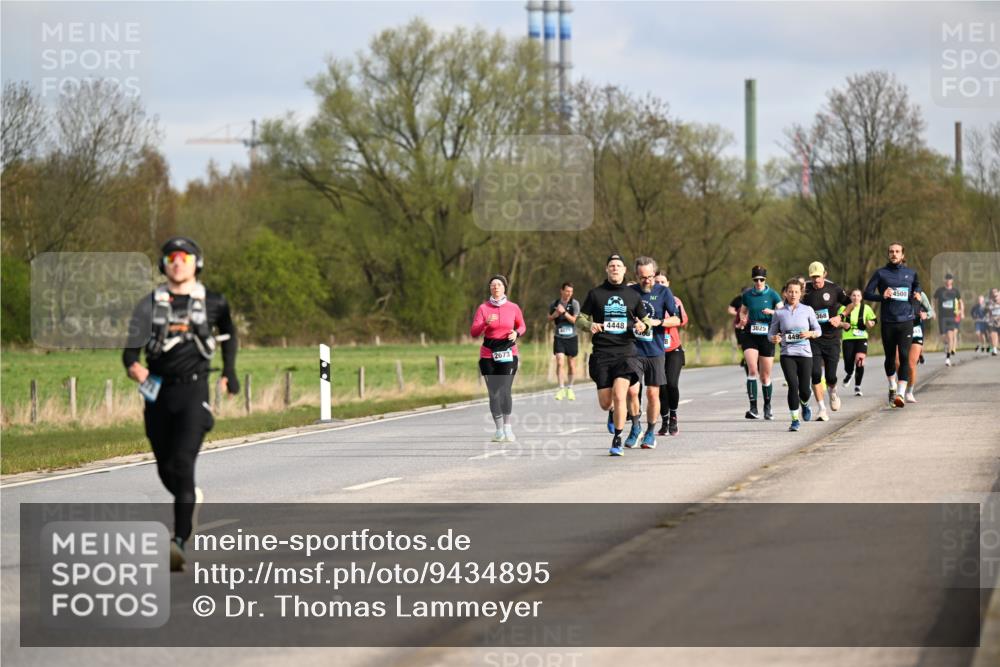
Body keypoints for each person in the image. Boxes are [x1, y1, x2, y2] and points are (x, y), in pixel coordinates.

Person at [123, 237, 239, 572]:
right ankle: (189, 500)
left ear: (196, 263)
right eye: (171, 257)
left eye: (184, 256)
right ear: (163, 265)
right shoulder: (148, 305)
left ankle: (179, 542)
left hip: (193, 392)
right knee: (166, 468)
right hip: (158, 394)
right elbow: (130, 356)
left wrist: (229, 372)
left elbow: (229, 335)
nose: (177, 262)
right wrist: (144, 379)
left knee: (184, 464)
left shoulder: (214, 302)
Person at [576, 254, 652, 456]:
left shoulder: (633, 295)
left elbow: (647, 323)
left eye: (618, 266)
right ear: (606, 270)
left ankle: (617, 438)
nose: (615, 269)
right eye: (611, 266)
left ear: (624, 270)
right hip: (602, 353)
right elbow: (579, 319)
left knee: (621, 395)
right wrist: (589, 325)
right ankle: (612, 414)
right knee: (606, 403)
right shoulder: (595, 294)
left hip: (626, 352)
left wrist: (642, 325)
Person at [625, 257, 677, 449]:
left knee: (653, 393)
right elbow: (620, 316)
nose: (647, 280)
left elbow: (676, 318)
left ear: (655, 274)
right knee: (632, 390)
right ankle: (636, 427)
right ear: (636, 276)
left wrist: (658, 322)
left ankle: (650, 433)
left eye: (650, 276)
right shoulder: (630, 292)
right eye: (642, 277)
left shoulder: (664, 292)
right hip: (633, 350)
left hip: (655, 351)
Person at [863, 242, 922, 408]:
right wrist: (882, 296)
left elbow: (917, 293)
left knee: (904, 356)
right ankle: (892, 386)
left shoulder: (911, 274)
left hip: (906, 321)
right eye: (891, 252)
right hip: (888, 322)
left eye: (897, 252)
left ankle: (901, 394)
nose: (894, 254)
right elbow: (867, 293)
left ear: (903, 255)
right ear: (888, 254)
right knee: (890, 358)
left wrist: (916, 306)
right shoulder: (881, 273)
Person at [470, 275, 526, 443]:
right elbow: (474, 332)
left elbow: (522, 325)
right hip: (488, 354)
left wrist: (517, 333)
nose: (495, 287)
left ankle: (508, 428)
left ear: (504, 288)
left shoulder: (513, 307)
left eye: (499, 285)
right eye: (493, 285)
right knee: (494, 394)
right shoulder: (483, 308)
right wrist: (485, 323)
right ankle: (499, 430)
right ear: (490, 289)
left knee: (505, 390)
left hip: (508, 352)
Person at [769, 279, 822, 432]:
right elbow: (771, 332)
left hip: (805, 354)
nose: (793, 294)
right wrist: (774, 338)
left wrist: (811, 333)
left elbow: (818, 330)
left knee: (804, 390)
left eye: (796, 292)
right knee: (793, 386)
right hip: (787, 354)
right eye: (790, 291)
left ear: (801, 293)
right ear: (785, 293)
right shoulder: (779, 313)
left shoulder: (808, 310)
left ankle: (805, 404)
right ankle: (794, 420)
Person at [802, 262, 850, 421]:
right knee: (815, 374)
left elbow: (849, 303)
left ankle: (833, 391)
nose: (816, 280)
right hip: (813, 338)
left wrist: (840, 317)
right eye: (813, 277)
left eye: (818, 276)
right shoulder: (805, 290)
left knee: (830, 376)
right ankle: (821, 408)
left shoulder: (834, 289)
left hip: (832, 338)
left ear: (825, 274)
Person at [738, 266, 783, 420]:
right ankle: (753, 408)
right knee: (752, 370)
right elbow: (743, 311)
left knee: (765, 376)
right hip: (750, 334)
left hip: (767, 335)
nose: (758, 282)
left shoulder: (773, 295)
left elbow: (783, 313)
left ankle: (767, 407)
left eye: (761, 280)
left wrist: (772, 312)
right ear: (753, 281)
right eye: (756, 280)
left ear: (765, 280)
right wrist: (743, 319)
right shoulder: (747, 295)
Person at [656, 273, 687, 436]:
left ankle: (673, 416)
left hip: (674, 348)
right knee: (661, 386)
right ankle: (664, 420)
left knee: (672, 384)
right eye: (657, 282)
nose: (660, 284)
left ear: (668, 283)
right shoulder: (650, 300)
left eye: (663, 282)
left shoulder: (675, 301)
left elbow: (683, 320)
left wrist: (666, 320)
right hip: (656, 348)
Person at [837, 289, 877, 396]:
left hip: (861, 337)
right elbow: (837, 322)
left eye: (858, 295)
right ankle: (849, 373)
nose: (856, 297)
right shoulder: (843, 308)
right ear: (850, 297)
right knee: (848, 363)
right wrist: (843, 324)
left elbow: (874, 320)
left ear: (861, 297)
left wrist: (870, 323)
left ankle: (857, 387)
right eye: (853, 295)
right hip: (848, 338)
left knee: (860, 360)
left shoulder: (866, 308)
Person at [548, 283, 580, 401]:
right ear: (561, 291)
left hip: (572, 337)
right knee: (560, 362)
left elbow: (575, 320)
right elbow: (549, 318)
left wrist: (564, 313)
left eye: (571, 291)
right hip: (559, 337)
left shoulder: (574, 304)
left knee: (571, 364)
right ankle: (561, 388)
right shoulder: (555, 303)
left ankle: (570, 388)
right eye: (567, 291)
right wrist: (556, 314)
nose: (569, 294)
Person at [899, 291, 934, 403]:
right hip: (900, 329)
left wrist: (926, 315)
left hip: (915, 328)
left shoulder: (920, 294)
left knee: (911, 364)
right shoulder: (897, 290)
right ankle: (899, 388)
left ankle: (909, 392)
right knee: (897, 362)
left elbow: (931, 311)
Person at [933, 274, 963, 366]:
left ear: (952, 281)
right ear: (944, 280)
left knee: (950, 337)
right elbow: (933, 300)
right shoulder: (940, 290)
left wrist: (961, 311)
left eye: (949, 279)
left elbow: (960, 301)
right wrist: (933, 311)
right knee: (943, 336)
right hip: (942, 317)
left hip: (952, 316)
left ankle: (948, 358)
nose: (948, 281)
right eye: (946, 279)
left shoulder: (955, 291)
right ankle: (945, 344)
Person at [728, 288, 751, 377]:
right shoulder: (738, 302)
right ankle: (745, 358)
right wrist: (740, 314)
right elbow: (730, 310)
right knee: (743, 348)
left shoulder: (755, 301)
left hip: (754, 331)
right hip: (741, 330)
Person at [988, 289, 1000, 356]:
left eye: (996, 293)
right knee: (993, 334)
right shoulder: (990, 302)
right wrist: (990, 319)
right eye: (993, 293)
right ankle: (994, 349)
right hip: (993, 321)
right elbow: (990, 312)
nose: (995, 295)